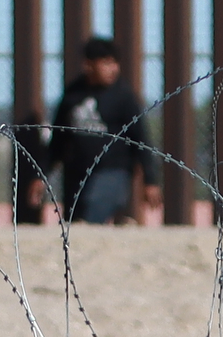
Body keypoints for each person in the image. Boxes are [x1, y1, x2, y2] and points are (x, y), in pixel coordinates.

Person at [33, 34, 147, 224]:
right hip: (77, 173)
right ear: (89, 65)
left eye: (115, 63)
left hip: (112, 172)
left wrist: (150, 181)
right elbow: (58, 141)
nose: (113, 69)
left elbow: (141, 139)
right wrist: (42, 175)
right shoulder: (73, 95)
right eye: (106, 63)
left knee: (90, 217)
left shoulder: (123, 97)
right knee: (74, 222)